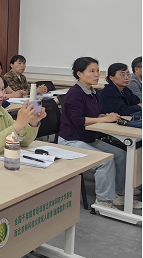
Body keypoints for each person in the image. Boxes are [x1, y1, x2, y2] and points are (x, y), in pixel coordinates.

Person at [58, 57, 139, 209]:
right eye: (92, 71)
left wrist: (106, 116)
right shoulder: (75, 93)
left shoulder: (92, 91)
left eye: (97, 71)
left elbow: (94, 114)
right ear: (79, 74)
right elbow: (78, 120)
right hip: (71, 140)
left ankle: (120, 194)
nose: (97, 75)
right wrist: (104, 119)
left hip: (88, 138)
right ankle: (103, 201)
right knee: (105, 161)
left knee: (121, 155)